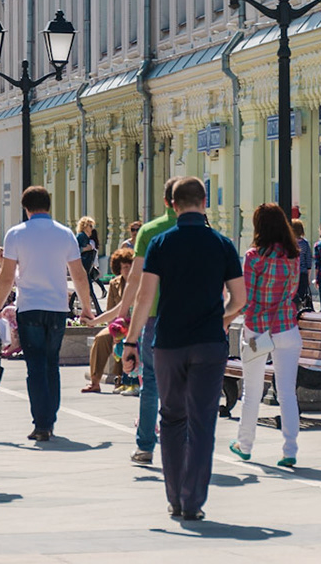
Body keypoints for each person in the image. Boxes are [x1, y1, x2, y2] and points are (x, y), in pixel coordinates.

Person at [120, 177, 243, 523]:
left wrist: (131, 341)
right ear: (205, 202)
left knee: (172, 417)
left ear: (173, 205)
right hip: (208, 343)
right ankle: (193, 501)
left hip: (169, 343)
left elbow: (145, 297)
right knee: (202, 422)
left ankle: (174, 497)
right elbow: (241, 298)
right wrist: (223, 317)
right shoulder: (222, 244)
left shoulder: (160, 243)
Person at [0, 185, 92, 444]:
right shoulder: (66, 234)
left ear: (25, 208)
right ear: (49, 206)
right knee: (51, 364)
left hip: (30, 307)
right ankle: (50, 418)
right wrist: (87, 309)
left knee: (35, 366)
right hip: (58, 308)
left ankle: (42, 423)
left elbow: (5, 277)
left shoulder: (16, 234)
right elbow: (79, 275)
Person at [230, 202, 302, 467]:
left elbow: (245, 296)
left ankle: (244, 445)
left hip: (257, 329)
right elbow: (293, 291)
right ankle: (290, 450)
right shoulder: (293, 255)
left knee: (252, 391)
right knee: (287, 393)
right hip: (287, 328)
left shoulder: (253, 256)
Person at [122, 180, 179, 463]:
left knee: (151, 382)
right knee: (186, 383)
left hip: (154, 316)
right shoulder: (205, 232)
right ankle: (184, 443)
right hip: (190, 318)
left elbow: (136, 277)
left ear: (166, 201)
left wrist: (124, 310)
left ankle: (145, 446)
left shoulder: (150, 231)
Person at [84, 249, 135, 392]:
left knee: (125, 340)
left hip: (136, 325)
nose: (128, 270)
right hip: (118, 324)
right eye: (124, 267)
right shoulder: (114, 283)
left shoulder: (140, 283)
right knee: (101, 338)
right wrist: (113, 330)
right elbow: (112, 311)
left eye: (130, 266)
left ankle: (122, 379)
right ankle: (95, 381)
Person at [76, 216, 104, 313]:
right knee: (89, 289)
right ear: (84, 226)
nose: (92, 228)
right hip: (83, 266)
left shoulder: (86, 237)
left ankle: (70, 307)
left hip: (87, 267)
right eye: (90, 226)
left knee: (82, 288)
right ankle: (98, 310)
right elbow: (75, 250)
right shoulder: (81, 236)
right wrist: (85, 249)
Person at [291, 219, 314, 312]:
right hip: (303, 273)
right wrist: (308, 277)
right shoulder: (305, 243)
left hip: (292, 274)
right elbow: (308, 261)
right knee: (301, 297)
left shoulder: (290, 243)